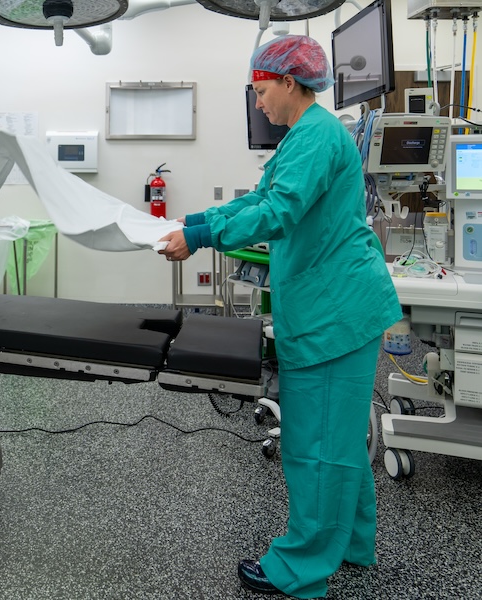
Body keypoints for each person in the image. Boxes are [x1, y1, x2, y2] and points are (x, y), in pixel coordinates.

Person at [158, 35, 402, 599]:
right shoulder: (305, 137)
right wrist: (194, 221)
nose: (258, 102)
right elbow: (258, 198)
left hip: (335, 315)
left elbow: (279, 211)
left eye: (261, 90)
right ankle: (353, 544)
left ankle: (301, 567)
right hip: (333, 307)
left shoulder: (317, 137)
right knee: (339, 440)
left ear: (289, 82)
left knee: (315, 445)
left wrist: (199, 237)